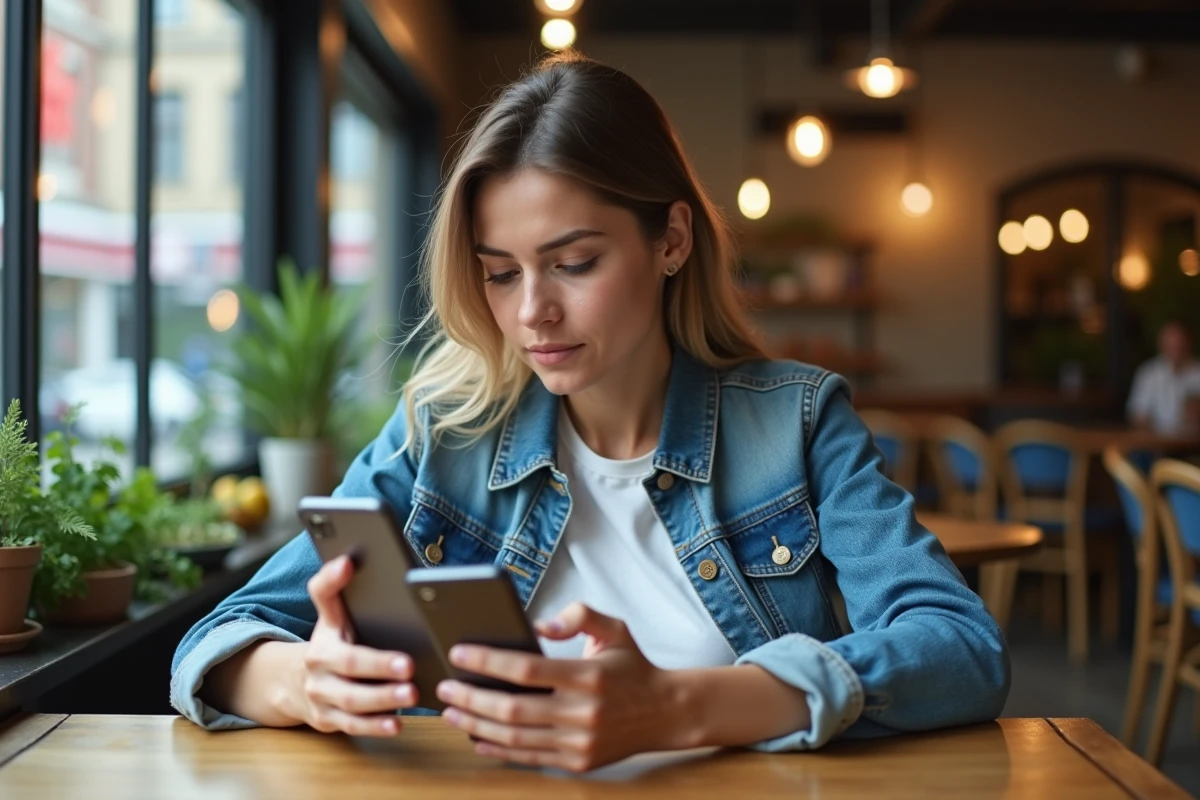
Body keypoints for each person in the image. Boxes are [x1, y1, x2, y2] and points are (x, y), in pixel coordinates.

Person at [171, 51, 1008, 772]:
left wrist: (682, 708)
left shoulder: (795, 425)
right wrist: (302, 680)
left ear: (671, 240)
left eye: (572, 262)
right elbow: (214, 645)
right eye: (501, 272)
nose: (532, 311)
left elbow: (961, 648)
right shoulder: (441, 430)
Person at [1127, 320, 1200, 435]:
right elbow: (1137, 414)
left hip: (1194, 444)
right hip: (1155, 445)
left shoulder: (1197, 372)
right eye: (1171, 344)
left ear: (1188, 343)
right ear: (1161, 344)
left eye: (1179, 343)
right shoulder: (1149, 373)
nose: (1176, 348)